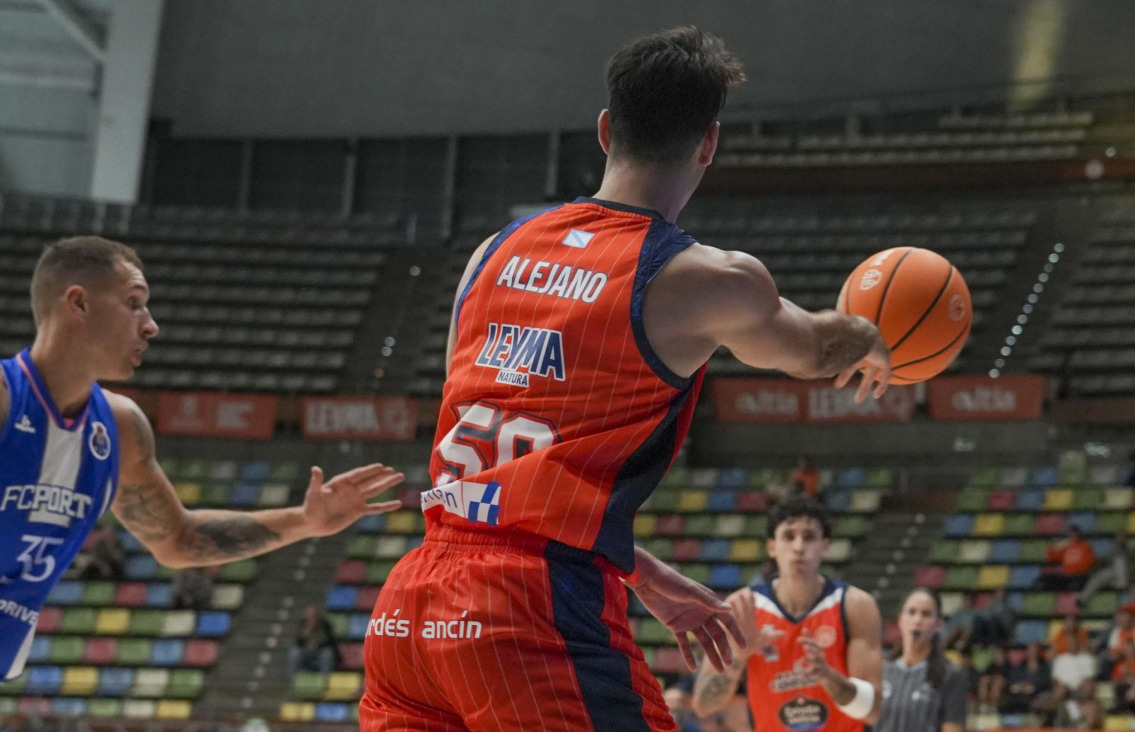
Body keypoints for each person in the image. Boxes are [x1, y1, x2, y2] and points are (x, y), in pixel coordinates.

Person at [358, 27, 893, 732]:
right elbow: (817, 350)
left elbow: (509, 488)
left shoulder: (490, 254)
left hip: (409, 609)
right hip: (528, 614)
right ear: (709, 145)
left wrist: (646, 574)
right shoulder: (706, 279)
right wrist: (871, 332)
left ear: (606, 129)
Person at [0, 236, 405, 682]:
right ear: (78, 303)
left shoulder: (118, 428)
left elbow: (179, 540)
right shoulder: (6, 400)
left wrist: (307, 520)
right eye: (133, 304)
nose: (150, 325)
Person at [691, 497, 882, 731]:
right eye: (789, 536)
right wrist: (739, 657)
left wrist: (829, 677)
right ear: (772, 547)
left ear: (825, 545)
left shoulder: (855, 605)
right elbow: (703, 705)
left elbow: (871, 711)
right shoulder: (744, 607)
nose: (799, 547)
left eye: (809, 536)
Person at [874, 589, 968, 732]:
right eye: (911, 612)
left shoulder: (951, 675)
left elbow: (952, 727)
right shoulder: (880, 671)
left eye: (926, 614)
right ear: (900, 620)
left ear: (939, 624)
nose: (917, 620)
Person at [1077, 533, 1135, 610]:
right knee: (1098, 577)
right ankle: (1082, 599)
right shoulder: (1112, 551)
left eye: (1123, 537)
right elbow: (1103, 560)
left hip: (1127, 573)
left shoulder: (1131, 550)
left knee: (1120, 561)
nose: (1121, 539)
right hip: (1113, 572)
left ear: (1126, 539)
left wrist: (1134, 569)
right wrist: (1096, 568)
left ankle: (1121, 583)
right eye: (1119, 537)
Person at [1035, 525, 1095, 592]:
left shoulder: (1085, 546)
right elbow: (1051, 556)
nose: (1072, 535)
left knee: (1075, 585)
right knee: (1045, 579)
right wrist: (1057, 545)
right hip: (1067, 576)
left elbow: (1090, 562)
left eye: (1073, 533)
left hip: (1079, 576)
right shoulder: (1066, 546)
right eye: (1070, 533)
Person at [288, 605, 339, 676]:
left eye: (314, 615)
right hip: (306, 654)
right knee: (295, 653)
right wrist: (307, 632)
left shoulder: (325, 625)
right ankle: (296, 680)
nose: (312, 617)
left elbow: (330, 642)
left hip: (320, 653)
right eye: (310, 615)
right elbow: (298, 642)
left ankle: (325, 680)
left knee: (328, 653)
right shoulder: (302, 625)